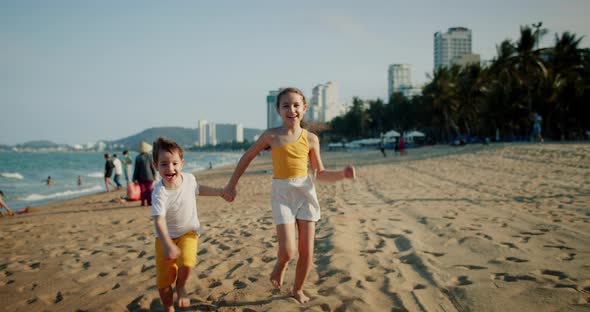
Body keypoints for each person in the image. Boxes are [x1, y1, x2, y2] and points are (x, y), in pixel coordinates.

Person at [223, 87, 356, 303]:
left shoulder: (311, 139)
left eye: (296, 105)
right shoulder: (271, 136)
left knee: (307, 251)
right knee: (287, 251)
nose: (291, 109)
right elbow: (247, 158)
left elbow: (320, 173)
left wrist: (342, 174)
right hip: (282, 195)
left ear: (304, 108)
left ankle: (298, 289)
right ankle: (281, 263)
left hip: (305, 193)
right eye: (286, 105)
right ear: (278, 110)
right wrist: (231, 185)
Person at [150, 137, 231, 311]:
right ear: (155, 166)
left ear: (182, 164)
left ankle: (181, 287)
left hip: (189, 232)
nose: (170, 168)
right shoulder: (159, 193)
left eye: (174, 163)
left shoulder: (189, 179)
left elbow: (199, 189)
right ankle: (169, 308)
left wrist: (221, 192)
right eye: (164, 164)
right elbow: (159, 220)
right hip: (165, 239)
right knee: (164, 283)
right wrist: (167, 244)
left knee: (187, 262)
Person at [133, 142, 156, 206]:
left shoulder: (138, 157)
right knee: (149, 190)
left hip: (140, 177)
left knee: (142, 190)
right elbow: (152, 167)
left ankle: (143, 202)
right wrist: (154, 175)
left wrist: (134, 178)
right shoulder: (150, 156)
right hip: (150, 176)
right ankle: (149, 202)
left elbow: (136, 169)